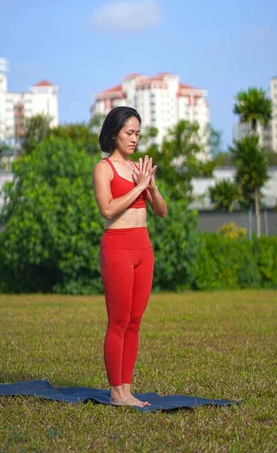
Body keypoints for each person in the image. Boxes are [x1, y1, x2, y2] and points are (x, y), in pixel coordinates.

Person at [93, 106, 167, 407]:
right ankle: (115, 392)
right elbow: (107, 209)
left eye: (137, 133)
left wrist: (150, 186)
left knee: (135, 321)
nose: (135, 138)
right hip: (118, 248)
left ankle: (127, 389)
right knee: (119, 321)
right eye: (129, 133)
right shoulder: (103, 168)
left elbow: (161, 212)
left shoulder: (139, 168)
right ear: (114, 134)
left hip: (143, 248)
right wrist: (136, 187)